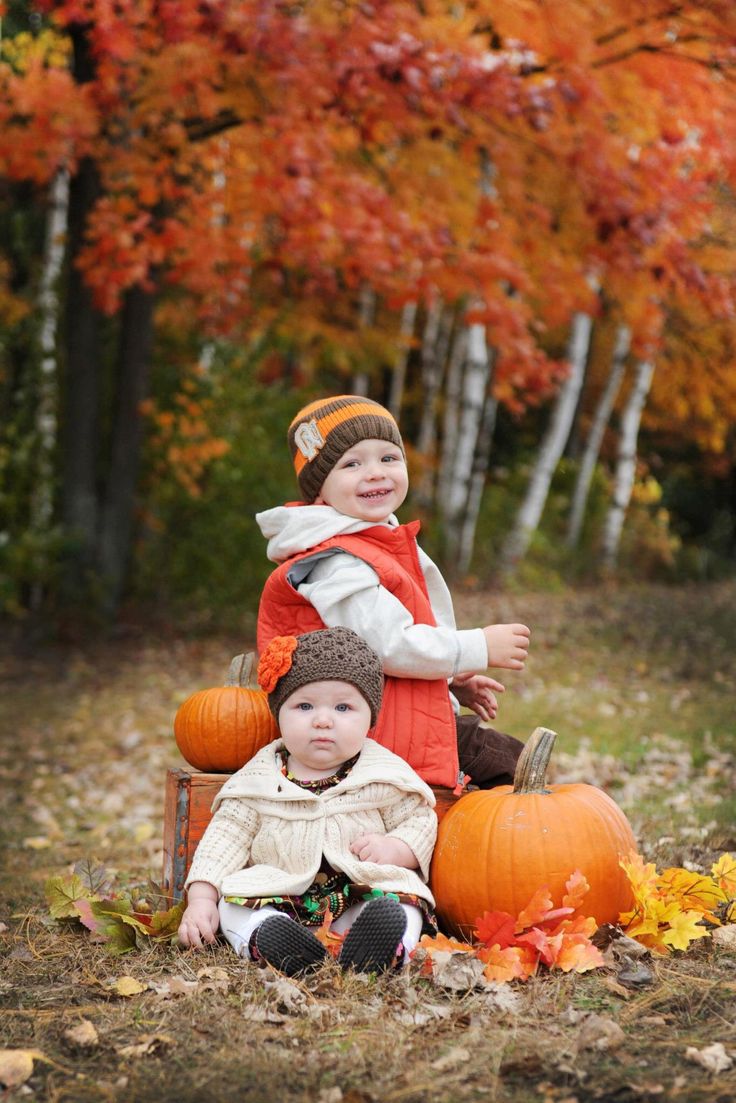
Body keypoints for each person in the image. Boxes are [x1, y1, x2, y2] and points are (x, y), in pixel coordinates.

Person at [256, 394, 531, 793]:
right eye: (351, 464)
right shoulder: (337, 562)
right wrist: (475, 647)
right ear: (319, 491)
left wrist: (450, 681)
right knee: (513, 766)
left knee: (502, 765)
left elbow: (380, 647)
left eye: (388, 458)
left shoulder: (374, 540)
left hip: (394, 717)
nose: (374, 473)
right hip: (360, 736)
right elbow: (389, 644)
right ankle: (469, 850)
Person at [178, 626, 438, 977]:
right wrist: (202, 899)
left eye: (344, 707)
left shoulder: (383, 774)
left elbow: (420, 820)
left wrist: (397, 847)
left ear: (370, 718)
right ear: (278, 714)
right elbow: (224, 839)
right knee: (233, 906)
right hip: (278, 896)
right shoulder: (258, 781)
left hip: (358, 894)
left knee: (405, 905)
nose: (323, 720)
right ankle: (269, 940)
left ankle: (381, 947)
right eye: (304, 705)